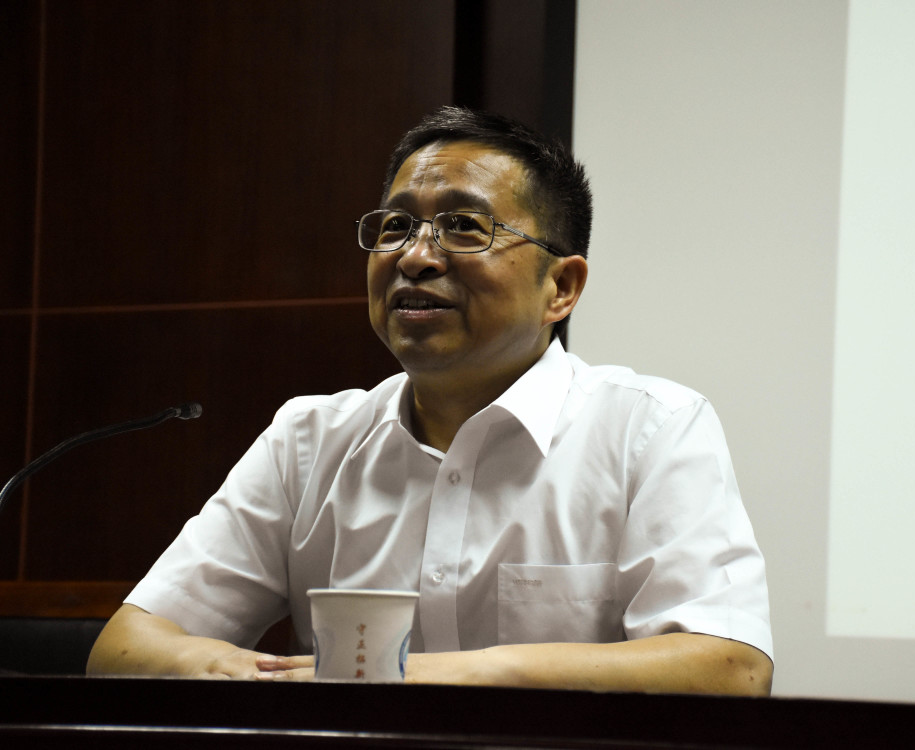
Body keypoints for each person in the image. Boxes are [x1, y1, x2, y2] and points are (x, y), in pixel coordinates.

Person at [87, 106, 773, 695]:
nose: (415, 257)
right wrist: (257, 674)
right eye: (394, 227)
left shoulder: (648, 429)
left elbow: (729, 668)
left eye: (465, 227)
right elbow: (125, 648)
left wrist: (445, 677)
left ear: (560, 288)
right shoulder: (310, 440)